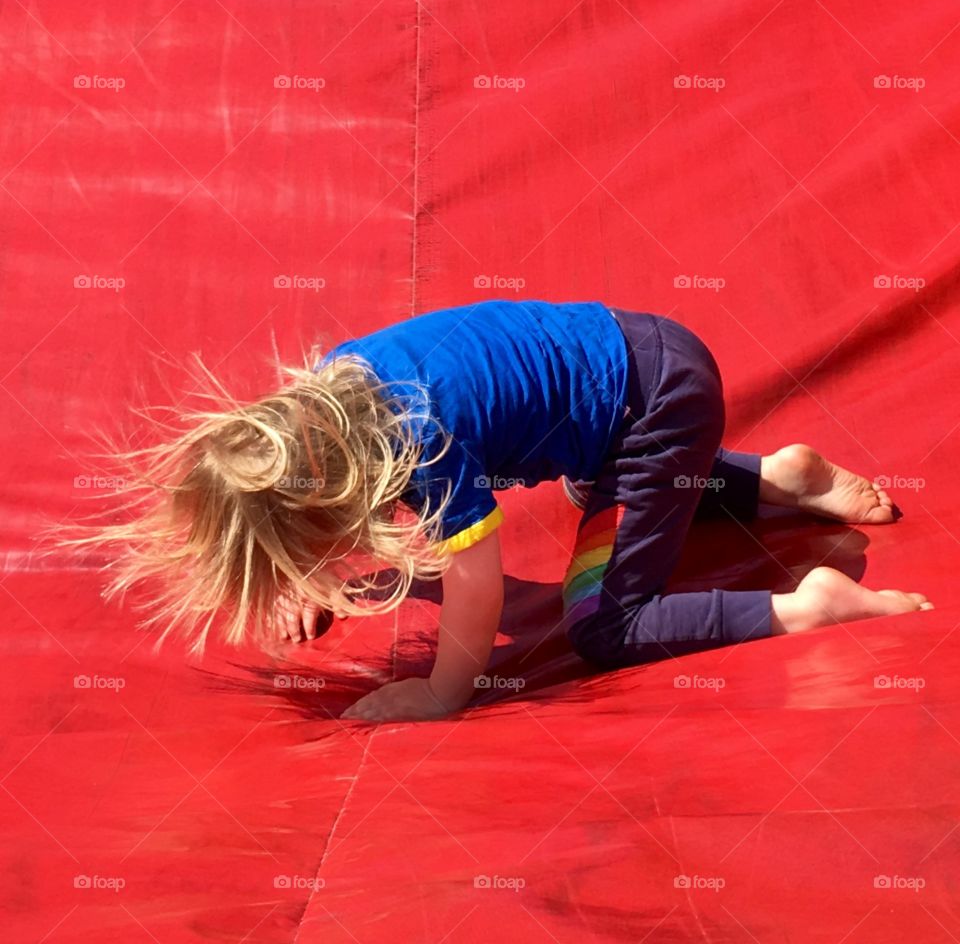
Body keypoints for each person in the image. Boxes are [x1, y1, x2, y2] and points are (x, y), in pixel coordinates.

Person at [75, 300, 932, 722]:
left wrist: (442, 693)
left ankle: (805, 604)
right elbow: (304, 491)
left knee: (604, 622)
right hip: (636, 362)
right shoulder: (333, 392)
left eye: (305, 550)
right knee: (591, 490)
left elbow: (475, 590)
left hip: (658, 406)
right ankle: (777, 479)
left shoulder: (424, 441)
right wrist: (311, 569)